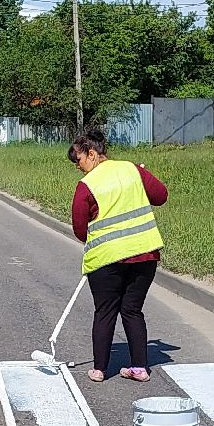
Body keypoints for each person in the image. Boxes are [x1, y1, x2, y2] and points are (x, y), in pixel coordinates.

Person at [68, 128, 167, 383]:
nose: (77, 166)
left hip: (107, 259)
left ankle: (99, 369)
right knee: (132, 310)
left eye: (78, 160)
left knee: (105, 310)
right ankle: (140, 368)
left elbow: (79, 228)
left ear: (92, 154)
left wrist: (95, 239)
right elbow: (160, 196)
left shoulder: (87, 186)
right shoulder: (133, 170)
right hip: (145, 255)